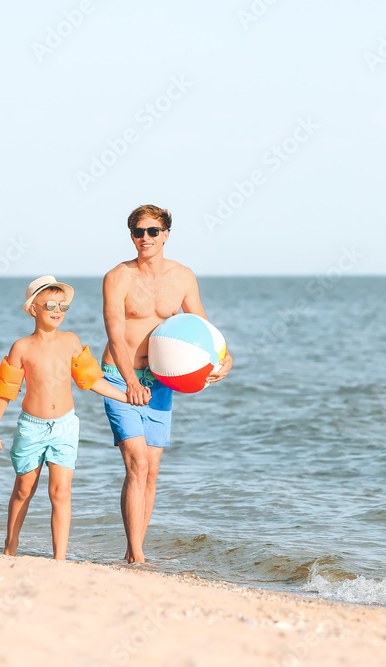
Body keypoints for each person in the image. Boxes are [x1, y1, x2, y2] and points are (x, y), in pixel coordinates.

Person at [101, 204, 233, 563]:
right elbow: (113, 331)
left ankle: (133, 553)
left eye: (153, 231)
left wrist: (226, 358)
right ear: (131, 236)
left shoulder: (183, 276)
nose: (145, 238)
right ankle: (138, 555)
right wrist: (129, 380)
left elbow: (203, 327)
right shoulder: (118, 277)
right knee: (137, 463)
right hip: (119, 376)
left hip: (161, 381)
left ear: (166, 235)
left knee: (153, 470)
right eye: (138, 231)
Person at [0, 276, 128, 560]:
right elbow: (5, 391)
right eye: (50, 304)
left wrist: (126, 396)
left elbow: (91, 379)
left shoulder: (71, 341)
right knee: (24, 488)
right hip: (31, 427)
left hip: (64, 425)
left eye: (63, 305)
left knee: (60, 492)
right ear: (33, 308)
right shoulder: (21, 347)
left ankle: (59, 558)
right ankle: (10, 548)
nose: (58, 310)